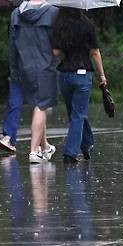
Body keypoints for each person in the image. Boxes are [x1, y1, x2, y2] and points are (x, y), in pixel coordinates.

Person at [4, 0, 59, 163]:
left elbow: (12, 44)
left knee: (37, 107)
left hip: (23, 66)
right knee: (41, 107)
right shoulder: (53, 13)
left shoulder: (16, 14)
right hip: (46, 66)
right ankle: (34, 150)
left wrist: (14, 69)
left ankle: (45, 146)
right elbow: (57, 43)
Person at [52, 8, 107, 164]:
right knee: (79, 114)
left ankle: (87, 143)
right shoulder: (88, 25)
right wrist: (102, 75)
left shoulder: (59, 25)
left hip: (65, 75)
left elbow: (55, 52)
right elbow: (95, 52)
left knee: (75, 113)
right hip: (83, 74)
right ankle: (70, 153)